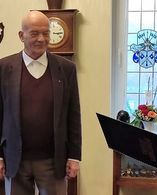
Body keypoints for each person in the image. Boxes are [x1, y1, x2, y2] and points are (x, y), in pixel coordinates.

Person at [0, 10, 82, 195]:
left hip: (53, 161)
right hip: (15, 160)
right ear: (22, 35)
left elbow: (73, 115)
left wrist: (74, 156)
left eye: (46, 33)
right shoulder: (3, 68)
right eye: (34, 33)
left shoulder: (66, 69)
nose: (41, 39)